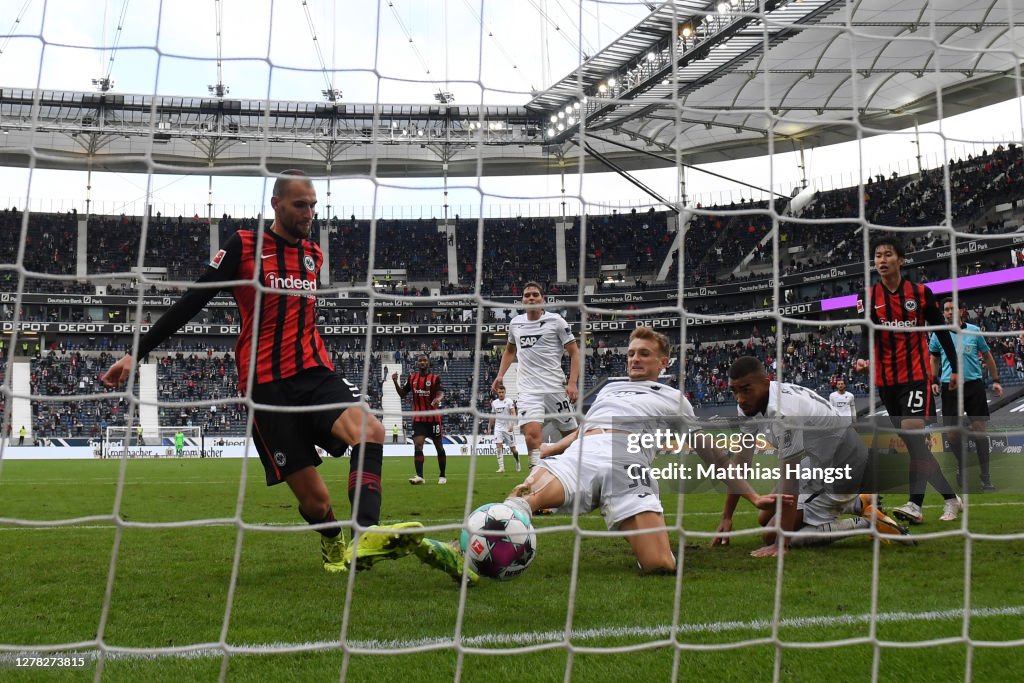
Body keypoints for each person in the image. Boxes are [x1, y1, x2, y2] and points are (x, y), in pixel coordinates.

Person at [102, 170, 424, 575]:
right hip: (266, 387)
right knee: (316, 501)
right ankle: (331, 537)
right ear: (276, 204)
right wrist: (138, 352)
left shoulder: (313, 254)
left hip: (314, 372)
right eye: (299, 205)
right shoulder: (244, 245)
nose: (309, 212)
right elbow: (193, 300)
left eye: (313, 205)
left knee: (371, 431)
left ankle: (367, 534)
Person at [488, 328, 786, 574]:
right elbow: (586, 428)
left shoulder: (674, 399)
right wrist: (556, 447)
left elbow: (710, 453)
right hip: (584, 452)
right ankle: (469, 549)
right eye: (631, 353)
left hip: (628, 463)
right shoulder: (609, 389)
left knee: (660, 564)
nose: (635, 359)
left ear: (663, 362)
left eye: (644, 353)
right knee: (521, 496)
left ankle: (642, 537)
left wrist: (753, 497)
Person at [720, 357, 911, 557]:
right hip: (817, 461)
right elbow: (741, 461)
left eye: (746, 390)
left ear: (766, 383)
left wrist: (781, 543)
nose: (740, 398)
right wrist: (726, 516)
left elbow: (790, 478)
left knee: (771, 535)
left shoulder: (786, 413)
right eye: (734, 391)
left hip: (842, 466)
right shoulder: (750, 405)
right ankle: (859, 502)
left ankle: (865, 522)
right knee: (763, 517)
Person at [853, 234, 962, 525]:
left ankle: (915, 505)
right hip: (886, 381)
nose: (882, 260)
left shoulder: (920, 293)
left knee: (914, 436)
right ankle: (951, 498)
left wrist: (954, 368)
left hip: (915, 376)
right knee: (915, 447)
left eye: (888, 254)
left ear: (901, 260)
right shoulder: (868, 295)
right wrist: (863, 357)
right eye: (877, 255)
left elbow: (941, 330)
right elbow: (866, 333)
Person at [491, 281, 580, 470]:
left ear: (543, 299)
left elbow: (574, 352)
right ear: (522, 301)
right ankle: (535, 478)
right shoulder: (515, 324)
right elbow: (509, 351)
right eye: (527, 295)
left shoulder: (556, 321)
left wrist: (572, 383)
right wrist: (500, 375)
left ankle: (574, 470)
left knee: (572, 436)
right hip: (528, 390)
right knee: (531, 435)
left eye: (535, 294)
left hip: (555, 388)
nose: (531, 297)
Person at [929, 299, 1003, 491]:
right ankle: (962, 467)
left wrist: (996, 380)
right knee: (952, 435)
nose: (948, 312)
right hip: (949, 387)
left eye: (952, 308)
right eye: (946, 309)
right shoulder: (938, 333)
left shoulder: (974, 331)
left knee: (980, 431)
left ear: (962, 311)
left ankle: (985, 477)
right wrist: (934, 380)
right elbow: (934, 359)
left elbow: (987, 356)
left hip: (973, 386)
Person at [392, 354, 448, 484]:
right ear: (417, 363)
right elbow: (402, 394)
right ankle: (420, 476)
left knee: (439, 447)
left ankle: (442, 475)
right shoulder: (412, 378)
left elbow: (440, 392)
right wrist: (395, 381)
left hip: (433, 419)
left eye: (425, 360)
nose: (422, 362)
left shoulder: (435, 378)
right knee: (418, 445)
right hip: (419, 419)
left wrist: (438, 399)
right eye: (420, 360)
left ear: (428, 363)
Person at [488, 387, 520, 473]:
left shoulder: (509, 401)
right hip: (498, 428)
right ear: (497, 393)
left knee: (513, 449)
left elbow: (513, 413)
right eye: (499, 392)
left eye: (502, 392)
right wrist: (489, 427)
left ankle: (517, 461)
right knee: (498, 446)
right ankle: (501, 467)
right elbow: (492, 415)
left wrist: (512, 424)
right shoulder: (494, 403)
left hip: (508, 428)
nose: (501, 394)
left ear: (505, 392)